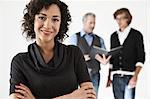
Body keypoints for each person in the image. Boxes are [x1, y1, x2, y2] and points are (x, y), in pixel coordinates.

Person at [9, 0, 96, 99]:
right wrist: (71, 97)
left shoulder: (74, 54)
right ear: (32, 19)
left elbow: (90, 96)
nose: (48, 25)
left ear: (61, 23)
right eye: (42, 18)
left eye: (55, 19)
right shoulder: (20, 61)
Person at [66, 12, 111, 97]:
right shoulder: (75, 37)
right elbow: (68, 57)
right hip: (78, 76)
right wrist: (81, 58)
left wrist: (105, 60)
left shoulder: (99, 39)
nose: (93, 25)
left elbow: (105, 55)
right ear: (84, 22)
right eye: (90, 22)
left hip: (95, 75)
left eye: (94, 23)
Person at [106, 8, 145, 99]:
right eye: (117, 19)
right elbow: (112, 58)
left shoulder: (136, 35)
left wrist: (135, 76)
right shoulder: (113, 36)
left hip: (129, 76)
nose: (119, 21)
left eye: (121, 18)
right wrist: (109, 77)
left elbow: (141, 57)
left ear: (127, 18)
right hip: (115, 76)